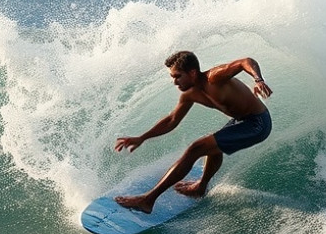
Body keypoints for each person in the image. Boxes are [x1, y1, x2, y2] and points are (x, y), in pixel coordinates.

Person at [114, 51, 273, 213]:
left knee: (196, 148)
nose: (175, 82)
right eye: (172, 77)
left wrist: (258, 80)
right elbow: (171, 120)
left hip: (258, 123)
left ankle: (147, 201)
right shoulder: (190, 95)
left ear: (192, 73)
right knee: (210, 146)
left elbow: (245, 61)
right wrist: (142, 138)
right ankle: (200, 187)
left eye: (178, 76)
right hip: (241, 121)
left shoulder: (214, 77)